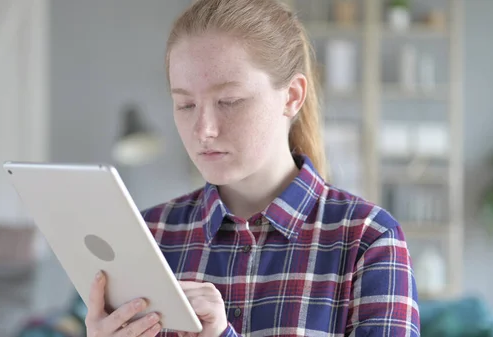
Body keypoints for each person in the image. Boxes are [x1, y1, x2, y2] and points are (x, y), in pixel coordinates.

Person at [85, 0, 420, 336]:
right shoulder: (148, 236)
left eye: (228, 101)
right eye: (185, 104)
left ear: (291, 96)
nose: (204, 130)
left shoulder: (368, 239)